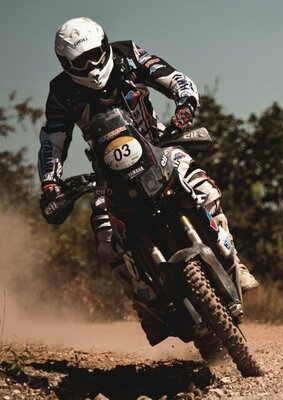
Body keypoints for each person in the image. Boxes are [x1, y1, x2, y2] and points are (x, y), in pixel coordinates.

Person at [37, 17, 258, 313]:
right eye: (81, 61)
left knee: (204, 189)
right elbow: (53, 140)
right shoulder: (61, 92)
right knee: (105, 234)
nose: (91, 66)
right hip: (108, 176)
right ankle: (142, 303)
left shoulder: (128, 55)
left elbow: (176, 79)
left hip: (159, 146)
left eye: (95, 55)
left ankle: (234, 260)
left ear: (104, 46)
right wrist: (50, 182)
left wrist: (184, 108)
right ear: (66, 62)